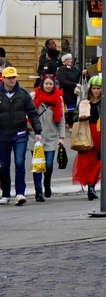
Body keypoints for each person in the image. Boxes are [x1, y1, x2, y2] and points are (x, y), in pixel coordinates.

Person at [0, 67, 43, 206]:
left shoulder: (23, 93)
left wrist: (38, 132)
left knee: (19, 162)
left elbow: (32, 113)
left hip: (20, 133)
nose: (12, 80)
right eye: (10, 78)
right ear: (4, 78)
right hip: (2, 134)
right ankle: (5, 193)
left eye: (14, 77)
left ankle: (20, 193)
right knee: (4, 165)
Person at [31, 74, 64, 201]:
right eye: (46, 84)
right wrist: (28, 124)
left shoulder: (58, 99)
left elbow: (61, 119)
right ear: (42, 84)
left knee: (49, 165)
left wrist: (61, 137)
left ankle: (47, 184)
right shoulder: (33, 97)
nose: (48, 86)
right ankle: (38, 191)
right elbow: (27, 113)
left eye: (51, 84)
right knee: (38, 166)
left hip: (51, 136)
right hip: (36, 137)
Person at [72, 75, 104, 200]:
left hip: (100, 132)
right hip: (86, 132)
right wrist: (80, 117)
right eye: (94, 88)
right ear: (90, 90)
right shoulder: (84, 102)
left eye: (99, 88)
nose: (96, 91)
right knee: (86, 161)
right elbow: (74, 116)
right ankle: (90, 186)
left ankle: (92, 184)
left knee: (99, 161)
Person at [55, 53, 81, 125]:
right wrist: (75, 84)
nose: (70, 60)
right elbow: (63, 82)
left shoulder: (73, 68)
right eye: (68, 59)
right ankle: (70, 125)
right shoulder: (61, 70)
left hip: (75, 93)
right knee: (70, 111)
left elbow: (79, 74)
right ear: (64, 61)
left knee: (75, 109)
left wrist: (84, 72)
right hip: (67, 94)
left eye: (71, 59)